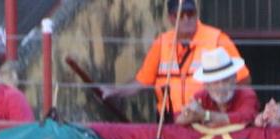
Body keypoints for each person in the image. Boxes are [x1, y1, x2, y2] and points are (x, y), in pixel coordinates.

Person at [104, 0, 249, 119]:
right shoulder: (162, 43)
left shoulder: (217, 38)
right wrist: (114, 91)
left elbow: (243, 79)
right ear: (171, 18)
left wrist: (225, 110)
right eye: (180, 15)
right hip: (169, 120)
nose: (186, 19)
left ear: (196, 14)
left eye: (190, 13)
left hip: (203, 117)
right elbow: (142, 81)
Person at [175, 46, 258, 127]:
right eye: (215, 82)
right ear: (206, 85)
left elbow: (246, 117)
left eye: (226, 80)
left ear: (235, 78)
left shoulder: (246, 94)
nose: (221, 86)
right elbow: (178, 120)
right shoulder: (200, 97)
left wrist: (204, 115)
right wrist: (189, 114)